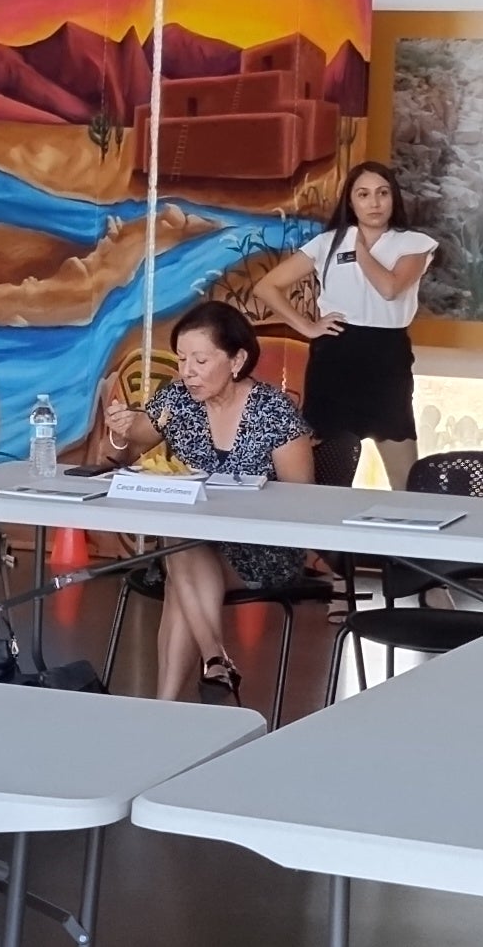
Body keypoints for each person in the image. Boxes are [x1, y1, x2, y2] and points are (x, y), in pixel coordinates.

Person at [81, 298, 317, 704]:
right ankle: (213, 663)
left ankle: (173, 699)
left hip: (260, 547)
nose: (187, 372)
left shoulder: (274, 410)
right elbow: (126, 447)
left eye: (200, 360)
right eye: (182, 359)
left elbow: (302, 501)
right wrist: (120, 431)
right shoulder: (177, 399)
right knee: (182, 547)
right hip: (193, 543)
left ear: (237, 359)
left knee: (179, 561)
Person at [256, 160, 436, 489]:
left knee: (406, 478)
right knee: (325, 471)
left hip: (386, 356)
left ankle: (404, 539)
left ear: (393, 198)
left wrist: (358, 249)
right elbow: (266, 287)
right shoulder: (326, 243)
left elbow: (390, 288)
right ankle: (318, 540)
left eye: (382, 193)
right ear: (350, 201)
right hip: (335, 354)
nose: (374, 202)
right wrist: (308, 327)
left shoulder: (414, 243)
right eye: (363, 194)